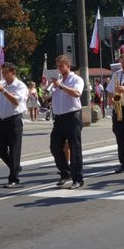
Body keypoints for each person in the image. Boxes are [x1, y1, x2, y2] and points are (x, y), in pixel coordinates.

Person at [50, 55, 85, 189]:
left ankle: (78, 178)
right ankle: (65, 173)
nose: (59, 69)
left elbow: (77, 93)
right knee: (55, 147)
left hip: (72, 117)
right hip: (59, 118)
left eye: (61, 66)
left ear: (68, 66)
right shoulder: (58, 81)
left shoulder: (76, 79)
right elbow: (54, 97)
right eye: (57, 66)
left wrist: (61, 86)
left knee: (75, 148)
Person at [0, 62, 28, 188]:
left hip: (14, 120)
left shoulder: (20, 86)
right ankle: (16, 167)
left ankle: (13, 179)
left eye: (5, 73)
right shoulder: (2, 84)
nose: (3, 75)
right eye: (2, 73)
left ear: (13, 72)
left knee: (14, 150)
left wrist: (4, 91)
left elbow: (16, 101)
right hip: (2, 121)